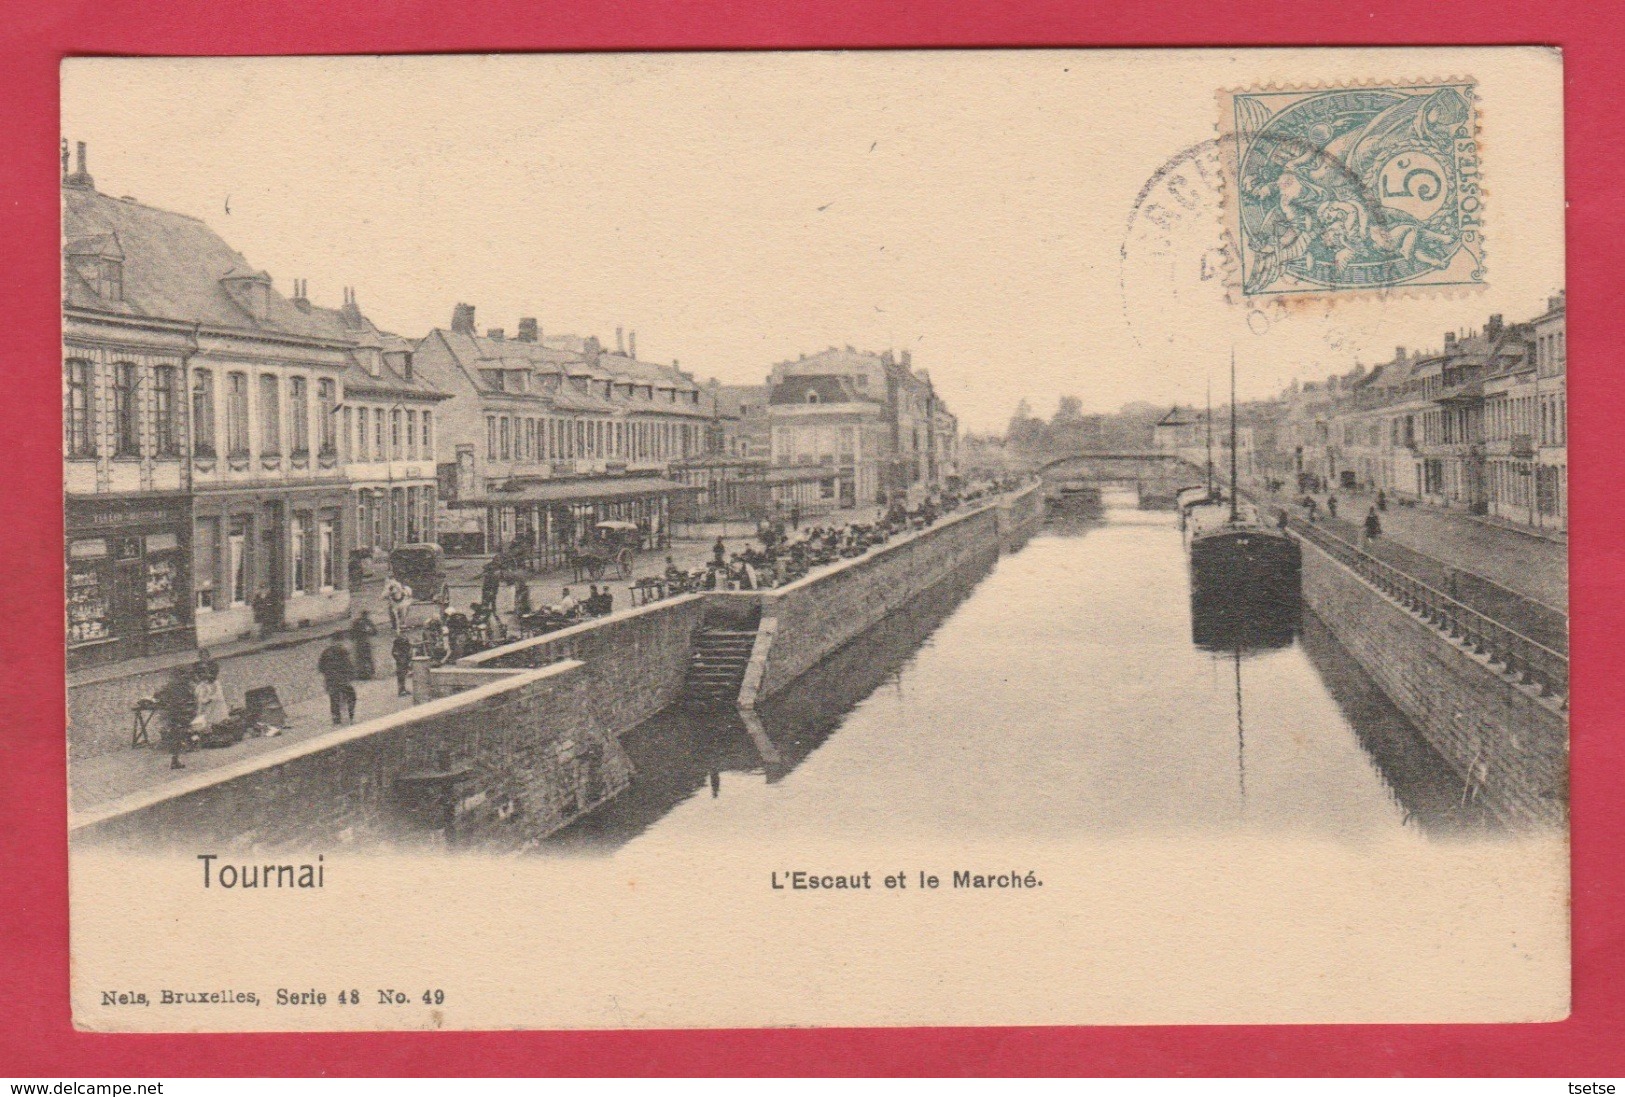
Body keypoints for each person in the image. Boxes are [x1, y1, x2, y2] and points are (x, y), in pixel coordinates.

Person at [154, 667, 198, 769]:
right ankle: (176, 758)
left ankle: (176, 758)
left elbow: (158, 696)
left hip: (174, 714)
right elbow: (192, 698)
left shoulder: (171, 686)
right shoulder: (183, 687)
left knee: (177, 735)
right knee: (180, 735)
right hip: (180, 714)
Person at [317, 639, 356, 726]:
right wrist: (350, 676)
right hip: (342, 681)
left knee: (334, 698)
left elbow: (320, 667)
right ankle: (350, 714)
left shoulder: (326, 652)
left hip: (331, 680)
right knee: (351, 696)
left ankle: (336, 718)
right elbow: (348, 666)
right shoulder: (343, 652)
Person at [350, 611, 378, 681]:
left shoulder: (356, 622)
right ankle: (370, 672)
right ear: (366, 615)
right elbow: (374, 632)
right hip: (365, 642)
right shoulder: (368, 622)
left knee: (360, 658)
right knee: (367, 657)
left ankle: (361, 673)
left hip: (359, 643)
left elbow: (352, 634)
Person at [391, 632, 414, 697]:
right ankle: (401, 691)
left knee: (404, 675)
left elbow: (408, 649)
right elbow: (394, 653)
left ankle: (403, 689)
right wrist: (399, 659)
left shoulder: (405, 641)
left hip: (405, 659)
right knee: (401, 676)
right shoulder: (397, 643)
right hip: (401, 661)